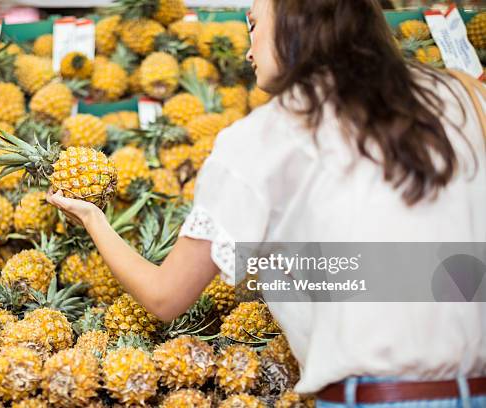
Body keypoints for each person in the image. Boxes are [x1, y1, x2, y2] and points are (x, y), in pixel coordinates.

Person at [47, 0, 486, 406]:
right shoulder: (467, 95)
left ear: (297, 21)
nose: (248, 50)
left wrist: (93, 217)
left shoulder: (265, 135)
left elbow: (165, 298)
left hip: (375, 396)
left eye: (254, 25)